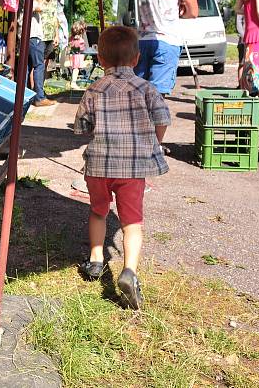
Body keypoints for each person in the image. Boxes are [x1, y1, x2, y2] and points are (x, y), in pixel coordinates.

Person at [74, 26, 171, 310]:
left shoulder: (93, 89)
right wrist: (154, 140)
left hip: (99, 167)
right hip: (132, 170)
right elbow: (163, 117)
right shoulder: (147, 88)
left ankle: (95, 260)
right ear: (137, 59)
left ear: (100, 60)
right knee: (132, 224)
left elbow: (81, 127)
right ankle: (129, 271)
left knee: (97, 211)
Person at [135, 0, 199, 95]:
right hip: (166, 40)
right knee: (157, 96)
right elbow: (193, 12)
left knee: (140, 94)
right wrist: (181, 11)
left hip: (142, 40)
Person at [28, 0, 67, 106]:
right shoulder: (38, 1)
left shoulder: (54, 2)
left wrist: (56, 35)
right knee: (37, 65)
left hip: (50, 37)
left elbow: (56, 19)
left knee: (43, 65)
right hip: (39, 37)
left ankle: (38, 91)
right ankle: (37, 94)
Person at [68, 20, 88, 89]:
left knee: (75, 69)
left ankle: (73, 82)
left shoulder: (71, 38)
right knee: (76, 69)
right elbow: (82, 48)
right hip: (77, 56)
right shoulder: (79, 40)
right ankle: (73, 83)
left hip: (73, 56)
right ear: (81, 31)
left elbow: (70, 44)